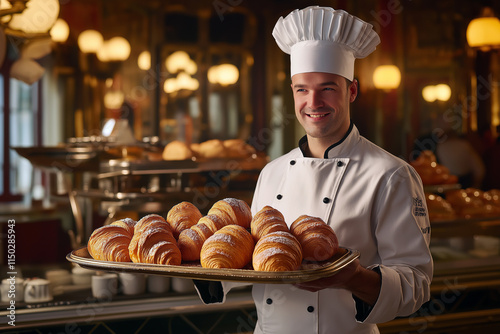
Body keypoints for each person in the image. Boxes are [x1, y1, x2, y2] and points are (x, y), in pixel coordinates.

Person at [195, 6, 433, 333]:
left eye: (328, 88)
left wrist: (354, 278)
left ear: (351, 91)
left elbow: (415, 284)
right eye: (302, 89)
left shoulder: (390, 174)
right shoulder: (273, 172)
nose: (314, 102)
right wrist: (194, 258)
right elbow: (252, 255)